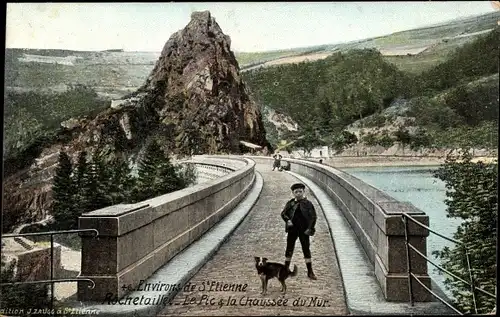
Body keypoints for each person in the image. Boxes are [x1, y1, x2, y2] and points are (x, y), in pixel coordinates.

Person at [280, 183, 317, 280]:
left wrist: (310, 228)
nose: (298, 194)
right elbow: (283, 213)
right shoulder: (290, 203)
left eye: (300, 191)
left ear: (304, 192)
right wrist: (288, 220)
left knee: (306, 249)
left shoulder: (308, 204)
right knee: (289, 248)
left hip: (304, 230)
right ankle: (286, 269)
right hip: (293, 230)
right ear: (293, 193)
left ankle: (310, 271)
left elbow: (313, 217)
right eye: (296, 192)